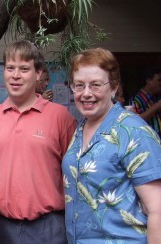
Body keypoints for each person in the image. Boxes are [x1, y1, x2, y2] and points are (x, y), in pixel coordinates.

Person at [0, 40, 77, 244]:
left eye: (24, 69)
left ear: (38, 73)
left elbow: (75, 172)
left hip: (49, 228)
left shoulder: (60, 116)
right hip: (2, 227)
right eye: (10, 68)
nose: (15, 75)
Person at [63, 48, 161, 243]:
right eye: (79, 85)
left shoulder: (133, 131)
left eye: (96, 85)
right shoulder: (81, 127)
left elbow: (157, 209)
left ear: (114, 87)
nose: (86, 94)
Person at [130, 67, 161, 137]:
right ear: (148, 81)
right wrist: (157, 106)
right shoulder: (136, 99)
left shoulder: (155, 98)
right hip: (148, 141)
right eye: (159, 80)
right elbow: (136, 120)